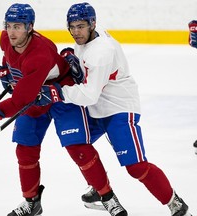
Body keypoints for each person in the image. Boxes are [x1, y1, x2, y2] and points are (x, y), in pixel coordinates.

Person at [0, 3, 128, 216]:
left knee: (78, 147)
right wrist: (7, 70)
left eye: (18, 26)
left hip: (61, 92)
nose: (12, 31)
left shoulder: (40, 55)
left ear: (30, 27)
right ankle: (31, 202)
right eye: (9, 25)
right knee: (25, 148)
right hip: (34, 93)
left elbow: (20, 101)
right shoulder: (5, 38)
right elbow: (9, 57)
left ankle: (108, 197)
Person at [37, 2, 192, 216]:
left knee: (136, 167)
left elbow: (89, 94)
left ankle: (175, 203)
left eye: (80, 26)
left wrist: (58, 91)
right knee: (76, 143)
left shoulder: (100, 52)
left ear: (92, 24)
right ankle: (98, 185)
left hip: (118, 108)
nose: (75, 32)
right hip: (97, 107)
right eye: (71, 27)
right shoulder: (92, 37)